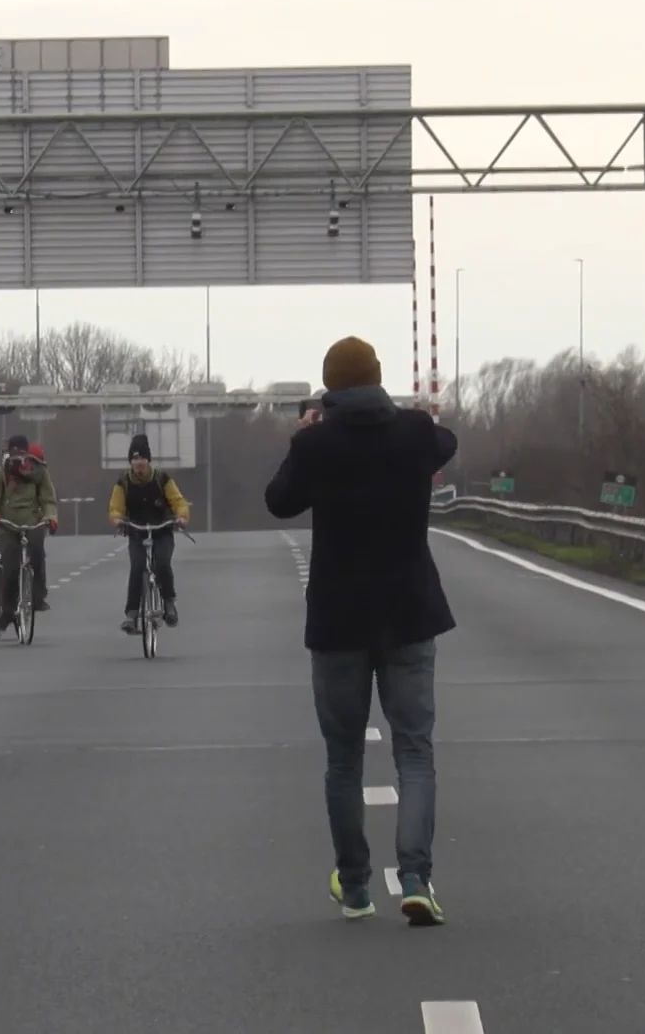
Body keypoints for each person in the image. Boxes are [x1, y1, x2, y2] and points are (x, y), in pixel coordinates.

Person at [264, 335, 457, 927]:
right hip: (408, 614)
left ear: (329, 388)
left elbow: (279, 502)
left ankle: (354, 887)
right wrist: (399, 416)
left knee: (344, 758)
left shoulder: (318, 445)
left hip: (340, 620)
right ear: (377, 379)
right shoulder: (417, 434)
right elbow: (444, 441)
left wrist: (304, 438)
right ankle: (417, 878)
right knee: (415, 752)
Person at [108, 434, 190, 632]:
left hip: (161, 530)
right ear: (131, 462)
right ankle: (132, 614)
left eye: (142, 459)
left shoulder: (162, 479)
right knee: (137, 568)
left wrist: (181, 516)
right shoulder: (123, 482)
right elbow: (115, 507)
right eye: (135, 459)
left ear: (148, 460)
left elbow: (179, 501)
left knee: (161, 563)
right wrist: (117, 518)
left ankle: (169, 603)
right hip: (137, 531)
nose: (139, 464)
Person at [0, 434, 57, 620]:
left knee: (37, 553)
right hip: (8, 525)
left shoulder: (40, 473)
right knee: (9, 565)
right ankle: (7, 609)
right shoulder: (1, 474)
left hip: (33, 522)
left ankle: (38, 596)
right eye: (13, 452)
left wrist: (51, 516)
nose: (18, 457)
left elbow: (48, 499)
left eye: (21, 452)